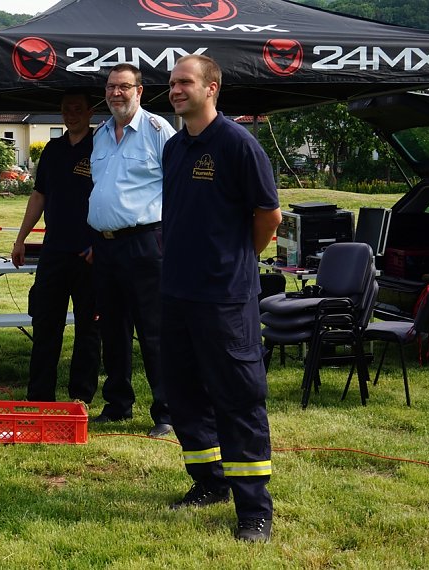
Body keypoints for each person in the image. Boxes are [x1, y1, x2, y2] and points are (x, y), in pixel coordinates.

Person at [161, 54, 281, 542]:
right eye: (171, 83)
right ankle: (209, 481)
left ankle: (254, 509)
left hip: (225, 298)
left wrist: (235, 261)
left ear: (212, 88)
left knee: (237, 399)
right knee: (184, 395)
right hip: (176, 293)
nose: (175, 90)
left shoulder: (238, 144)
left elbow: (268, 217)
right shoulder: (173, 149)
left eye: (185, 82)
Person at [88, 63, 175, 437]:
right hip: (105, 248)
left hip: (145, 243)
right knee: (113, 329)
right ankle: (118, 403)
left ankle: (167, 412)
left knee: (154, 330)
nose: (116, 93)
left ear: (140, 91)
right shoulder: (101, 134)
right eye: (110, 87)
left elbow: (178, 189)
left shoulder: (158, 131)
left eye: (124, 87)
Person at [12, 88, 101, 404]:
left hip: (90, 253)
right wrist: (21, 238)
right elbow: (39, 196)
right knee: (46, 325)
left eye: (78, 107)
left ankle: (81, 396)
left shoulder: (102, 147)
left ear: (91, 112)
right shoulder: (51, 149)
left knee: (89, 331)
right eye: (66, 108)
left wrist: (99, 244)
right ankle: (39, 395)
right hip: (54, 251)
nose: (71, 113)